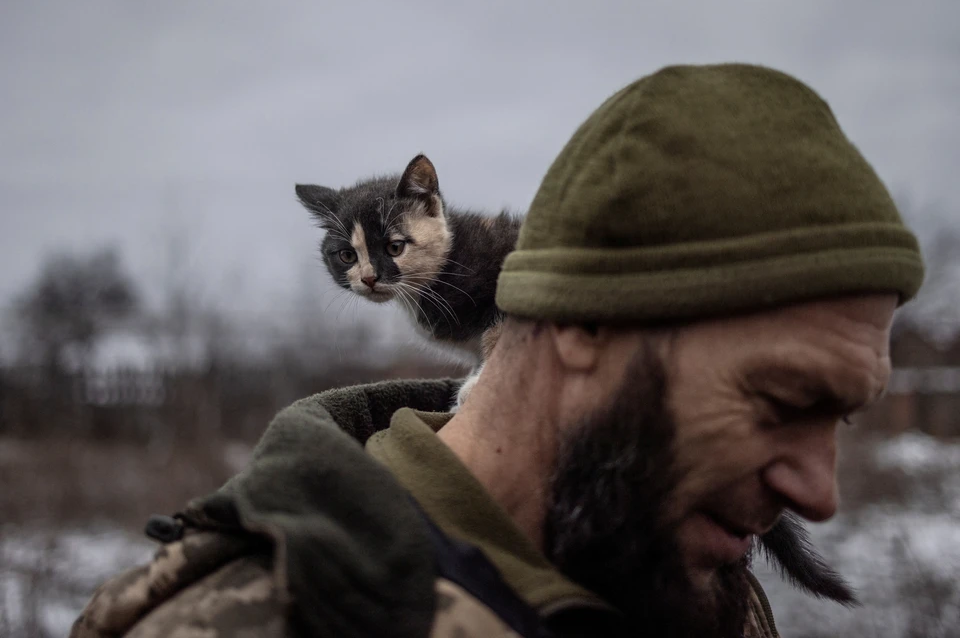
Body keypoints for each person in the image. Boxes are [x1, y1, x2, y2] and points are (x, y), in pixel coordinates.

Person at [71, 63, 924, 638]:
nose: (821, 493)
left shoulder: (696, 581)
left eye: (839, 419)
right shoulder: (250, 619)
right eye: (779, 402)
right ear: (583, 323)